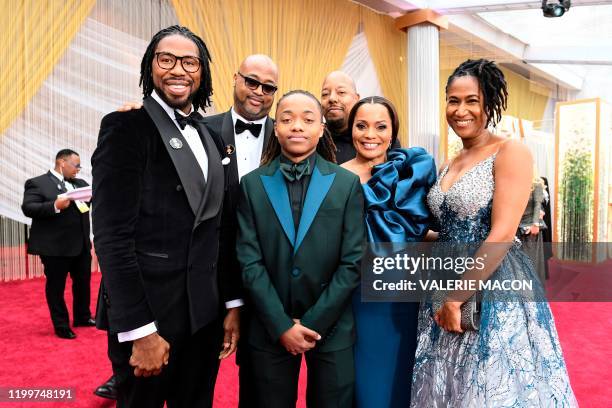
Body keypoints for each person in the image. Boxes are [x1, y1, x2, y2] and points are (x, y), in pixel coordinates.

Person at [411, 59, 577, 406]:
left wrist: (456, 297)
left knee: (490, 387)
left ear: (490, 102)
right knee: (448, 385)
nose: (461, 110)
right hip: (442, 282)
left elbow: (502, 233)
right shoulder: (451, 161)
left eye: (472, 100)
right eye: (453, 100)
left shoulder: (510, 151)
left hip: (491, 287)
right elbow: (447, 230)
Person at [91, 25, 240, 407]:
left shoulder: (210, 136)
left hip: (203, 320)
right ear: (150, 66)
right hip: (150, 319)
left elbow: (218, 232)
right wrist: (141, 331)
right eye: (166, 59)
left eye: (189, 61)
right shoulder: (126, 127)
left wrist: (228, 307)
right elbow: (111, 239)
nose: (178, 70)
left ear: (202, 71)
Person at [236, 90, 364, 407]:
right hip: (269, 325)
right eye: (287, 118)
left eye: (307, 119)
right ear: (275, 127)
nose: (297, 126)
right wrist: (281, 326)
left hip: (331, 325)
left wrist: (311, 324)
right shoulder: (252, 184)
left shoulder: (345, 184)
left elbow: (353, 263)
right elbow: (249, 263)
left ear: (321, 129)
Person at [341, 96, 436, 407]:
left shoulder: (412, 170)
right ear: (350, 129)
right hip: (356, 295)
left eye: (381, 126)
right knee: (366, 385)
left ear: (393, 130)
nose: (371, 134)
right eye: (362, 126)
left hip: (405, 295)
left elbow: (429, 226)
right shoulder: (334, 176)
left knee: (404, 379)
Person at [203, 54, 278, 408]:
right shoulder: (200, 130)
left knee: (261, 385)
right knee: (198, 378)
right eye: (252, 81)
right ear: (235, 79)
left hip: (267, 280)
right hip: (207, 280)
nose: (258, 92)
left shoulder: (287, 136)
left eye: (268, 87)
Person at [21, 149, 94, 340]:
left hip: (81, 245)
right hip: (54, 248)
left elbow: (87, 206)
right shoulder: (37, 183)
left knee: (83, 283)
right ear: (62, 162)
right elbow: (28, 208)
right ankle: (61, 324)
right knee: (56, 287)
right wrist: (54, 206)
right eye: (75, 165)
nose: (78, 170)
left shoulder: (81, 184)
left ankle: (82, 316)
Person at [321, 71, 399, 164]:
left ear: (356, 99)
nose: (332, 98)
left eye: (341, 92)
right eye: (325, 94)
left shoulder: (383, 141)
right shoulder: (315, 140)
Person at [517, 174, 547, 283]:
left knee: (532, 261)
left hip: (531, 229)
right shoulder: (515, 182)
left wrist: (535, 224)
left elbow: (537, 205)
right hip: (516, 228)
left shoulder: (536, 183)